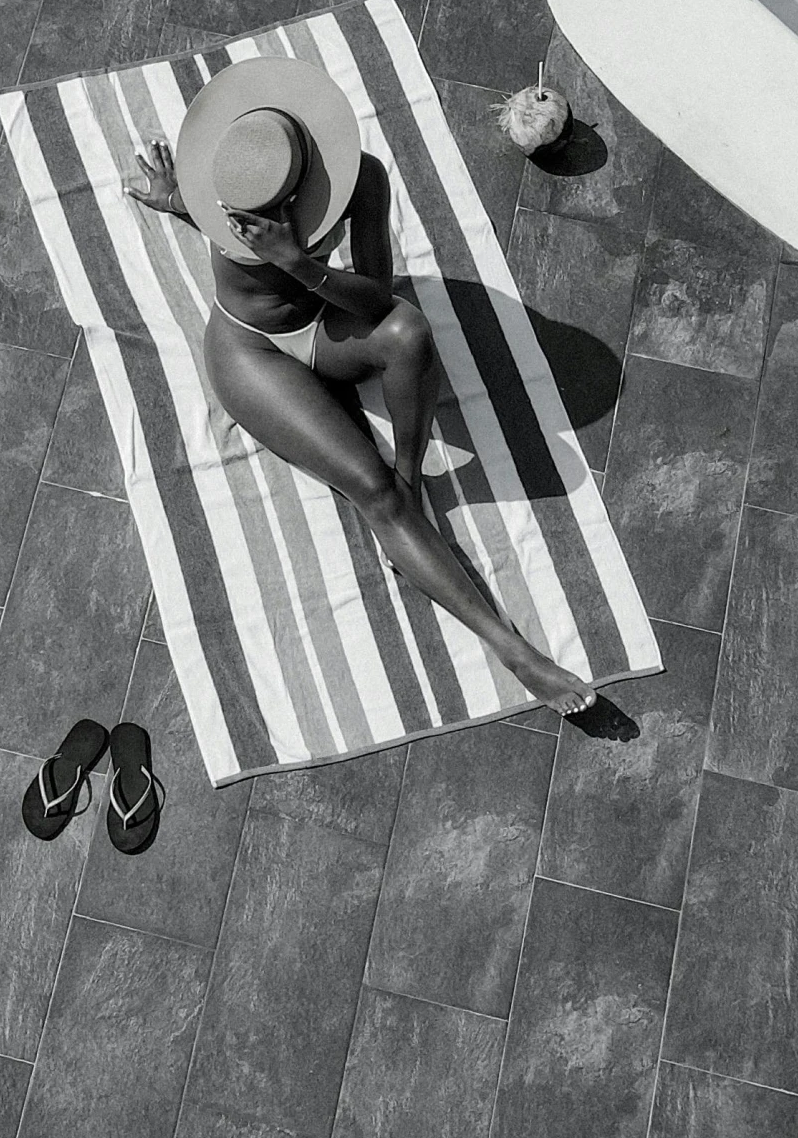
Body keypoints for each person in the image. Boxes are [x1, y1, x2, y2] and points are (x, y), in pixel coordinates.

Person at [126, 56, 615, 725]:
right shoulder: (229, 176)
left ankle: (413, 477)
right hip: (252, 351)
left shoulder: (358, 181)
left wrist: (296, 262)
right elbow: (206, 205)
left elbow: (377, 296)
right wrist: (175, 197)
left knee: (409, 332)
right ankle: (514, 650)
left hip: (324, 323)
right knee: (371, 490)